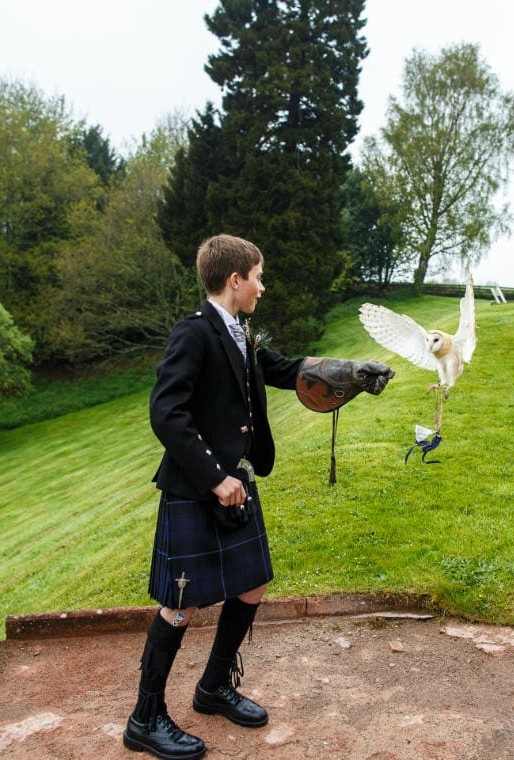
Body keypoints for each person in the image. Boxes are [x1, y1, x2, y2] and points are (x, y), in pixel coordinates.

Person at [122, 234, 392, 760]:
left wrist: (348, 371)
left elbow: (278, 368)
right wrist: (213, 478)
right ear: (235, 280)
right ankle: (145, 717)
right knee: (180, 603)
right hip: (200, 488)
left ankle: (213, 687)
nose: (263, 287)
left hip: (238, 481)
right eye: (259, 276)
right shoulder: (193, 334)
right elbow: (166, 412)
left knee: (253, 583)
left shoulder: (239, 332)